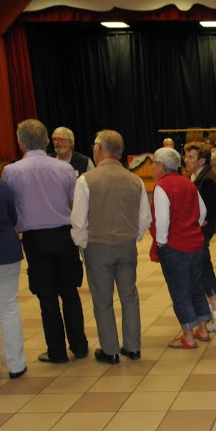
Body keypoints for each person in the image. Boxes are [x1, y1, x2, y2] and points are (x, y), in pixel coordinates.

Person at [3, 119, 88, 364]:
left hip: (35, 240)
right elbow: (73, 203)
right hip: (63, 235)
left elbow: (10, 207)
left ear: (20, 143)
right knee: (70, 293)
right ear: (47, 141)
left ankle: (57, 352)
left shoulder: (11, 171)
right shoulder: (65, 169)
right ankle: (80, 346)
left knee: (47, 297)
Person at [70, 130, 151, 364]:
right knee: (130, 297)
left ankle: (110, 350)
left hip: (98, 247)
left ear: (99, 148)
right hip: (126, 246)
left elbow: (78, 221)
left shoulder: (86, 180)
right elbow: (144, 218)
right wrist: (134, 237)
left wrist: (83, 245)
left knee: (103, 300)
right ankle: (133, 347)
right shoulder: (135, 180)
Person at [150, 146, 211, 349]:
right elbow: (202, 212)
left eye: (153, 163)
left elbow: (162, 220)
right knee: (196, 287)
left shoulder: (162, 186)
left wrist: (161, 242)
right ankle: (203, 329)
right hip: (195, 245)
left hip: (175, 247)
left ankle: (188, 337)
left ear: (161, 165)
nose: (151, 167)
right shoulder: (188, 182)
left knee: (180, 291)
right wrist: (192, 226)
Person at [0, 173, 27, 382]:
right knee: (9, 309)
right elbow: (14, 217)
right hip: (5, 251)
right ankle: (16, 365)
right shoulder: (0, 186)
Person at [184, 141, 216, 332]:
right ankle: (212, 312)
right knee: (201, 272)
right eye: (186, 156)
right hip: (199, 233)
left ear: (202, 160)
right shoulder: (199, 176)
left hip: (201, 234)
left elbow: (208, 214)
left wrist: (192, 226)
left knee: (205, 272)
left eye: (191, 157)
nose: (186, 160)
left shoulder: (208, 179)